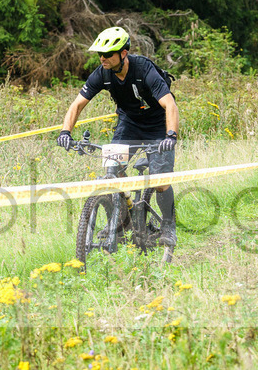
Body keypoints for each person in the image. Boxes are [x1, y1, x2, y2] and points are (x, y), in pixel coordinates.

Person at [56, 26, 180, 246]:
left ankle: (168, 227)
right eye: (100, 54)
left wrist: (170, 136)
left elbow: (169, 104)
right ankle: (122, 223)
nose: (102, 58)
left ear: (123, 53)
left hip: (157, 125)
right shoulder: (102, 74)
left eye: (108, 54)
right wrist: (65, 132)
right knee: (112, 169)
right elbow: (77, 105)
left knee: (161, 180)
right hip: (129, 123)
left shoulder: (144, 70)